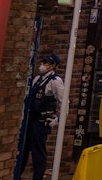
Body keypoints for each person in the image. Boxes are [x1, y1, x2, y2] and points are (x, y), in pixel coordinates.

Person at [17, 52, 65, 180]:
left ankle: (37, 177)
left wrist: (58, 119)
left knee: (38, 151)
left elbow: (63, 101)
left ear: (53, 65)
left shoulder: (55, 81)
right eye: (42, 62)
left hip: (41, 121)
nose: (42, 65)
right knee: (23, 149)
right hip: (30, 119)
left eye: (46, 63)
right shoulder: (37, 79)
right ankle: (17, 174)